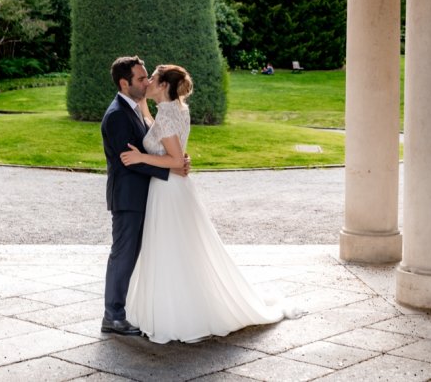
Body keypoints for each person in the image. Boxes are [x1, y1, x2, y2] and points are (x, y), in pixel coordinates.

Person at [120, 63, 300, 344]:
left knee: (171, 250)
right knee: (181, 250)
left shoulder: (167, 115)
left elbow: (176, 160)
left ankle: (177, 314)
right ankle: (186, 306)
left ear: (164, 86)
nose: (147, 83)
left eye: (152, 79)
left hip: (168, 190)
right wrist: (144, 109)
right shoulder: (175, 109)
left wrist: (141, 158)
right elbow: (165, 140)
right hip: (175, 189)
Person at [100, 55, 189, 337]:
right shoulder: (117, 116)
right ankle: (113, 316)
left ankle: (128, 312)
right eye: (141, 78)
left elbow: (152, 145)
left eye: (148, 76)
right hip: (128, 198)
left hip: (144, 196)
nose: (146, 81)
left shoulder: (137, 108)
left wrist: (175, 161)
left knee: (137, 255)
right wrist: (173, 169)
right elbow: (133, 161)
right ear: (125, 83)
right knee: (123, 256)